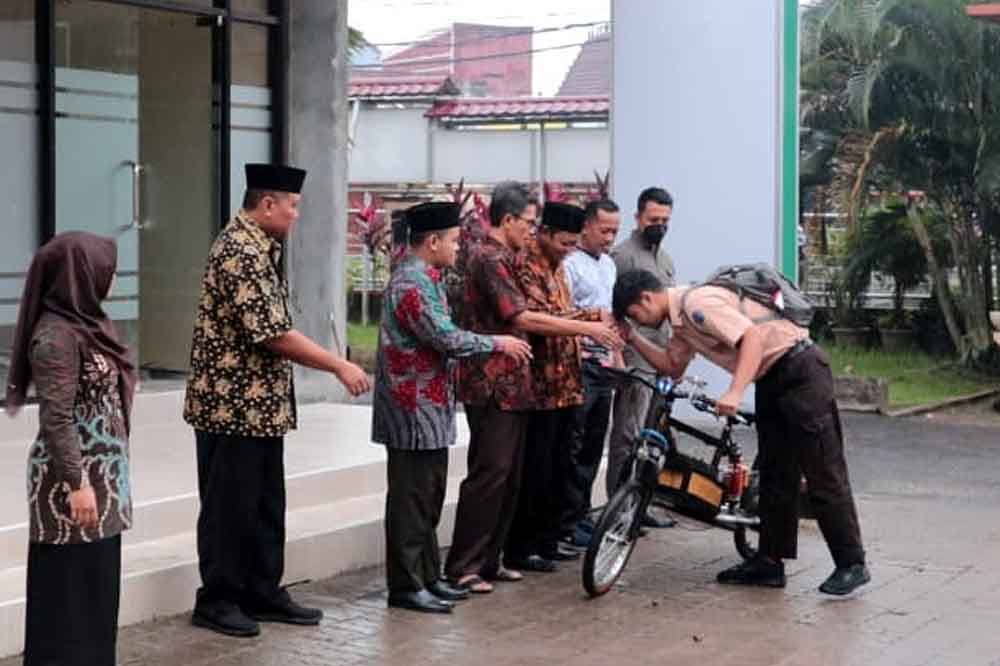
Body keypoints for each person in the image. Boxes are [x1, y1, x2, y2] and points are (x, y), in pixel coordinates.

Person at [184, 163, 371, 638]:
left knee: (265, 504)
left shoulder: (261, 247)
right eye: (292, 207)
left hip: (260, 407)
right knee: (230, 508)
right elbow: (272, 335)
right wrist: (339, 364)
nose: (295, 216)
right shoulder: (239, 250)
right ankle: (219, 598)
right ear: (267, 204)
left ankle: (261, 590)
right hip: (230, 407)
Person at [612, 269, 871, 596]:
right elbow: (672, 366)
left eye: (634, 316)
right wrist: (632, 338)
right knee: (776, 472)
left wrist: (734, 392)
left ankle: (852, 563)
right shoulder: (681, 325)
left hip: (800, 371)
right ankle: (769, 562)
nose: (638, 321)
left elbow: (752, 338)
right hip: (772, 378)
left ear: (646, 298)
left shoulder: (697, 303)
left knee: (822, 468)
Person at [445, 182, 622, 594]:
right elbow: (523, 318)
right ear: (506, 219)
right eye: (528, 222)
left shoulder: (509, 257)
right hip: (491, 383)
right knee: (490, 474)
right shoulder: (489, 259)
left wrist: (588, 318)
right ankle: (464, 566)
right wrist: (587, 327)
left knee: (511, 477)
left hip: (517, 383)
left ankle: (492, 560)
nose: (531, 229)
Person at [372, 201, 532, 614]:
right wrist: (497, 342)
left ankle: (428, 577)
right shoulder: (411, 284)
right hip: (411, 410)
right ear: (433, 241)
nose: (459, 249)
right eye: (455, 241)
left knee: (428, 496)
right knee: (411, 499)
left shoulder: (428, 278)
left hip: (429, 407)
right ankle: (406, 585)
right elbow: (446, 338)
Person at [5, 232, 136, 666]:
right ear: (81, 275)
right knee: (67, 597)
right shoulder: (56, 337)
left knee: (95, 592)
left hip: (103, 481)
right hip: (71, 486)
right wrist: (77, 483)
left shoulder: (89, 325)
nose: (113, 275)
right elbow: (56, 417)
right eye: (105, 267)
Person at [504, 200, 601, 572]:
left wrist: (592, 318)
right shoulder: (525, 266)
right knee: (536, 469)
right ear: (544, 233)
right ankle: (521, 547)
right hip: (539, 386)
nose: (569, 250)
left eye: (573, 243)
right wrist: (586, 326)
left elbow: (563, 315)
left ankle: (549, 539)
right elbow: (536, 320)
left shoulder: (561, 267)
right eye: (563, 242)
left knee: (562, 466)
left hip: (568, 383)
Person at [608, 186, 677, 528]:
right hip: (636, 359)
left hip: (661, 359)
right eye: (653, 219)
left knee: (652, 436)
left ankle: (641, 504)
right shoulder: (623, 257)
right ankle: (618, 510)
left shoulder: (664, 259)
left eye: (665, 220)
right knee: (628, 435)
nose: (659, 225)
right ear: (638, 218)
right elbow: (615, 313)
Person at [560, 199, 621, 548]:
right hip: (579, 362)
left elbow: (610, 316)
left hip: (605, 366)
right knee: (575, 441)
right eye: (604, 230)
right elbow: (565, 313)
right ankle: (566, 518)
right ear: (586, 227)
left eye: (614, 230)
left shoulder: (609, 265)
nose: (610, 237)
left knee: (594, 444)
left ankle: (581, 513)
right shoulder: (570, 265)